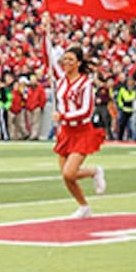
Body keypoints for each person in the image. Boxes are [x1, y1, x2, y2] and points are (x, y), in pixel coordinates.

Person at [44, 14, 106, 217]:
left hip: (81, 130)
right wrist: (46, 28)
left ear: (79, 63)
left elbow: (87, 110)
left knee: (70, 172)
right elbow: (49, 55)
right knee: (66, 176)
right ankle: (83, 206)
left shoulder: (85, 83)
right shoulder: (60, 80)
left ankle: (94, 171)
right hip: (66, 132)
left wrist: (64, 116)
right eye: (65, 59)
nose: (66, 63)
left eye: (71, 60)